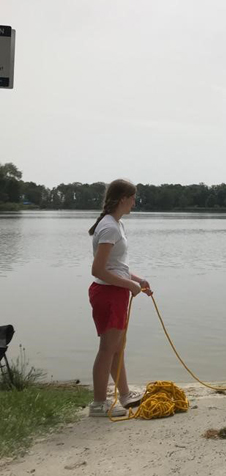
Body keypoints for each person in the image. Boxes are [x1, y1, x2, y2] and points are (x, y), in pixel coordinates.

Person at [88, 179, 152, 417]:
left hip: (116, 291)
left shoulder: (116, 224)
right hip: (108, 294)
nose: (135, 202)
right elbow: (98, 270)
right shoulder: (110, 227)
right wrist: (129, 285)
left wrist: (137, 280)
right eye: (133, 198)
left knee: (118, 347)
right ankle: (98, 404)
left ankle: (124, 394)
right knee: (107, 349)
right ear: (123, 198)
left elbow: (115, 266)